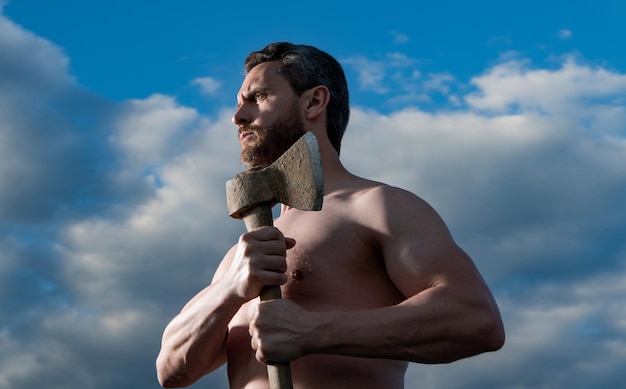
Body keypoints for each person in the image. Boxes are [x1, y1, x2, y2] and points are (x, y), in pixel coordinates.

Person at [156, 42, 505, 388]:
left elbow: (475, 318)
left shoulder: (376, 206)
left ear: (314, 102)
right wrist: (229, 289)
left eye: (257, 97)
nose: (238, 117)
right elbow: (171, 371)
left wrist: (312, 331)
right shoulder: (243, 256)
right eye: (238, 104)